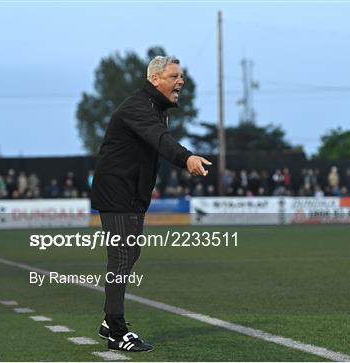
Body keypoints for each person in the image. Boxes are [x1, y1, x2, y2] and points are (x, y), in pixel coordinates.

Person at [91, 55, 211, 352]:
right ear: (155, 79)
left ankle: (110, 321)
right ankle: (116, 330)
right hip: (117, 192)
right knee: (121, 256)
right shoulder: (138, 107)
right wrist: (187, 158)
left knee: (129, 253)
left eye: (181, 76)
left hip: (131, 193)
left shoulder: (156, 109)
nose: (180, 81)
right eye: (174, 76)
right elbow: (161, 140)